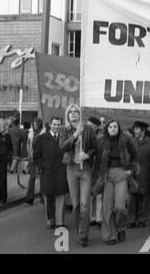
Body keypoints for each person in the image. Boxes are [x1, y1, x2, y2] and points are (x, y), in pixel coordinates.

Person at [59, 104, 97, 247]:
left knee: (84, 204)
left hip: (85, 169)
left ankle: (83, 235)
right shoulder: (65, 130)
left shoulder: (88, 129)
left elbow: (95, 148)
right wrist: (75, 134)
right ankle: (79, 229)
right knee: (75, 205)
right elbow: (62, 147)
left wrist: (87, 155)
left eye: (76, 112)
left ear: (80, 114)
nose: (74, 114)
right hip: (71, 169)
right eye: (71, 112)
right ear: (68, 115)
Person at [95, 120, 138, 245]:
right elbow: (98, 162)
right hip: (106, 175)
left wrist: (131, 170)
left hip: (121, 174)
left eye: (115, 127)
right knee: (107, 207)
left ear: (119, 128)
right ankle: (110, 236)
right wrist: (97, 179)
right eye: (110, 127)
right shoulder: (102, 142)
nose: (113, 129)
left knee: (119, 206)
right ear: (107, 129)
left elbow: (135, 157)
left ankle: (120, 227)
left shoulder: (126, 141)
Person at [33, 117, 69, 229]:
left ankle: (60, 222)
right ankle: (50, 220)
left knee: (61, 197)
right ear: (50, 124)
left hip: (61, 171)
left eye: (58, 124)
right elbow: (36, 157)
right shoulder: (42, 138)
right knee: (48, 197)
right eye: (54, 124)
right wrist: (44, 166)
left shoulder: (65, 138)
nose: (56, 127)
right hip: (47, 172)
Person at [128, 120, 150, 228]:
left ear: (143, 131)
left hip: (146, 173)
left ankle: (142, 219)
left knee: (144, 198)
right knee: (132, 198)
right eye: (134, 129)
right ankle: (131, 220)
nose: (135, 131)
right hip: (133, 173)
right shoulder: (131, 142)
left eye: (137, 129)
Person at [25, 118, 46, 205]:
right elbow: (28, 145)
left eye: (35, 124)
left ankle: (43, 197)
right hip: (33, 159)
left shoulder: (44, 134)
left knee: (42, 179)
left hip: (41, 159)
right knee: (32, 178)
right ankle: (30, 197)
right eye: (33, 124)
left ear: (40, 125)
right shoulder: (30, 134)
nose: (34, 126)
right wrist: (29, 155)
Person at [87, 117, 103, 227]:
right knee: (90, 193)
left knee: (99, 193)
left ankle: (99, 218)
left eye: (91, 125)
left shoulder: (102, 137)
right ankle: (92, 217)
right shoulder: (87, 135)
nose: (89, 127)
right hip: (88, 167)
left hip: (98, 167)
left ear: (96, 126)